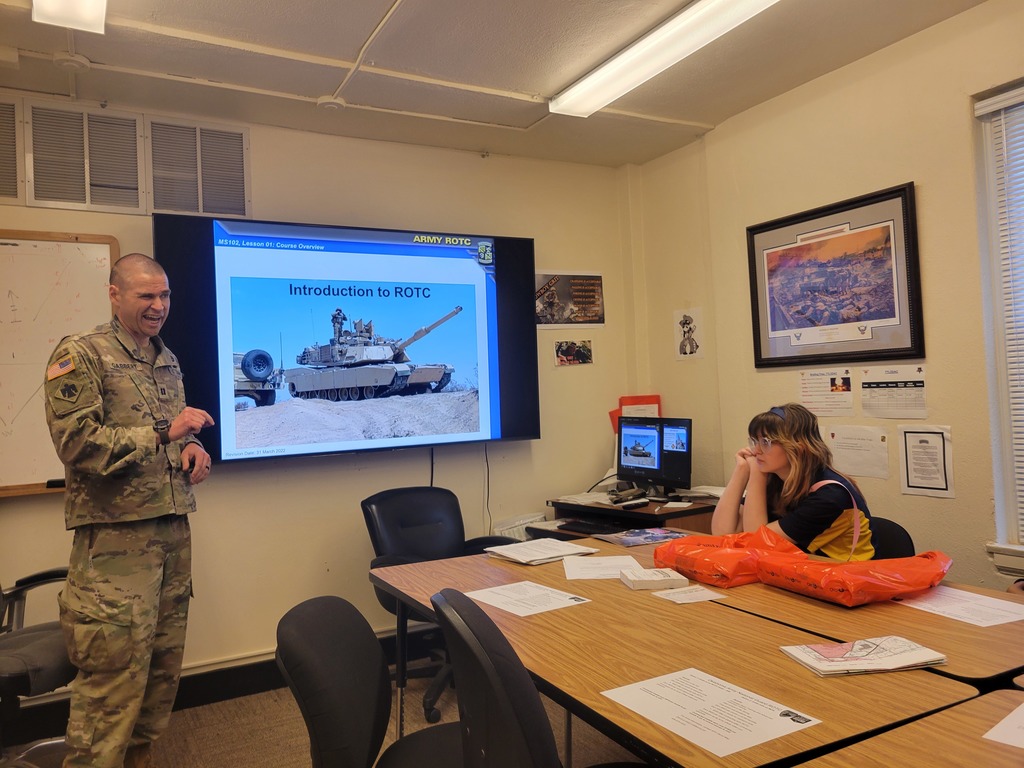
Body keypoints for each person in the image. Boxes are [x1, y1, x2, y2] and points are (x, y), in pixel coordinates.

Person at [44, 253, 215, 768]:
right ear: (114, 294)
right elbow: (77, 445)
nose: (158, 306)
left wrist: (190, 451)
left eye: (164, 296)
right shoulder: (81, 354)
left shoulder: (166, 358)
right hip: (115, 551)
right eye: (146, 295)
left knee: (157, 688)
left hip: (170, 539)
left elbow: (170, 438)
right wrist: (166, 433)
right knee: (109, 696)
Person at [712, 402, 876, 561]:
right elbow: (722, 534)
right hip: (798, 571)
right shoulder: (775, 478)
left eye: (766, 442)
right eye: (755, 441)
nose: (756, 451)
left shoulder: (830, 495)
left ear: (798, 447)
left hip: (844, 576)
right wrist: (741, 471)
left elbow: (757, 543)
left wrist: (756, 474)